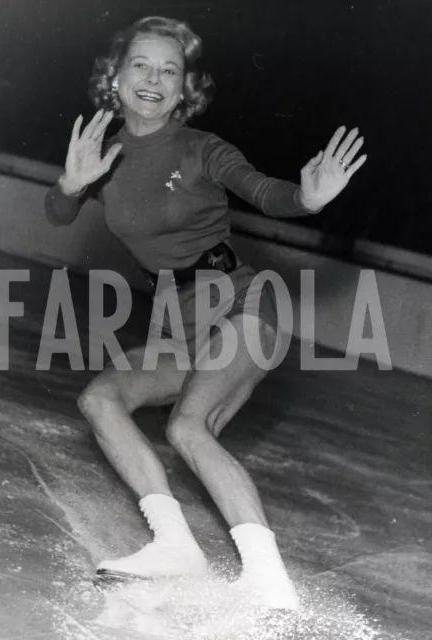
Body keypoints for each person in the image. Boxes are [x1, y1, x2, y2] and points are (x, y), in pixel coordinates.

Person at [45, 16, 366, 611]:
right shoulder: (103, 153)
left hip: (244, 305)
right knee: (100, 399)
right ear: (113, 76)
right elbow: (58, 214)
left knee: (188, 428)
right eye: (141, 64)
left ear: (183, 88)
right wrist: (69, 184)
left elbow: (268, 192)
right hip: (182, 323)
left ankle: (272, 584)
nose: (153, 79)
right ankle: (174, 544)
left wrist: (307, 198)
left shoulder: (201, 148)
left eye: (170, 70)